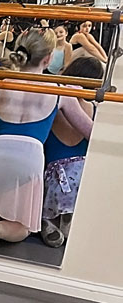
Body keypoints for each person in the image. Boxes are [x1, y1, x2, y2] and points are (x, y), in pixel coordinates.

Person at [0, 29, 94, 244]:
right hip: (28, 160)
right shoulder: (59, 91)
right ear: (47, 58)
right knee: (23, 227)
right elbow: (89, 130)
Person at [41, 57, 101, 247]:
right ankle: (68, 217)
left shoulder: (54, 102)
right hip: (83, 174)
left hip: (54, 173)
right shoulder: (92, 108)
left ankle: (49, 220)